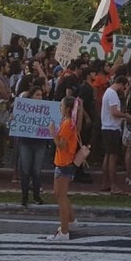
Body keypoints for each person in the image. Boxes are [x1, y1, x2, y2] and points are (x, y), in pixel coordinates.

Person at [47, 96, 80, 241]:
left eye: (61, 106)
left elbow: (61, 145)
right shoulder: (70, 122)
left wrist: (53, 133)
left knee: (60, 197)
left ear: (67, 109)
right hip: (66, 162)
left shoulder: (67, 123)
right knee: (61, 195)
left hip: (63, 162)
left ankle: (64, 232)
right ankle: (71, 221)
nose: (59, 108)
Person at [100, 75, 131, 193]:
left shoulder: (108, 92)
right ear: (121, 84)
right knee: (112, 158)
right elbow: (114, 112)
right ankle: (113, 185)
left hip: (107, 127)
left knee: (108, 156)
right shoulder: (112, 94)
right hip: (112, 128)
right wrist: (126, 116)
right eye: (123, 88)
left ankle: (105, 182)